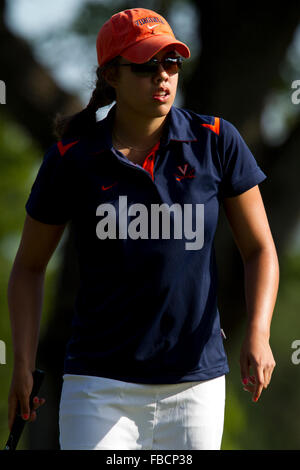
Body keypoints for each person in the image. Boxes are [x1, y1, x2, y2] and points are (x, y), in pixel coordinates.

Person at [7, 8, 279, 450]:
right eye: (147, 65)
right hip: (97, 387)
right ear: (112, 74)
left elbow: (260, 249)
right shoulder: (72, 158)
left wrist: (259, 333)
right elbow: (29, 267)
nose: (163, 75)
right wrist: (23, 362)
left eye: (170, 63)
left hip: (195, 387)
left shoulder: (217, 141)